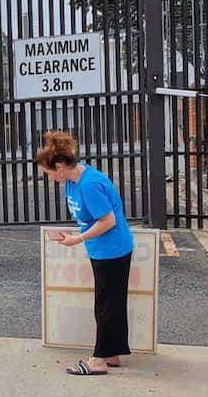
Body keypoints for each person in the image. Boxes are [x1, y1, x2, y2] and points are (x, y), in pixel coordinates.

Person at [36, 131, 135, 377]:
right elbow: (87, 218)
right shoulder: (72, 180)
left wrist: (77, 239)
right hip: (102, 249)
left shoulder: (89, 183)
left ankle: (99, 359)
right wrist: (76, 233)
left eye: (48, 174)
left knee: (106, 305)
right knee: (110, 303)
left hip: (112, 250)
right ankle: (111, 353)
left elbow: (108, 220)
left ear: (59, 166)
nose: (49, 179)